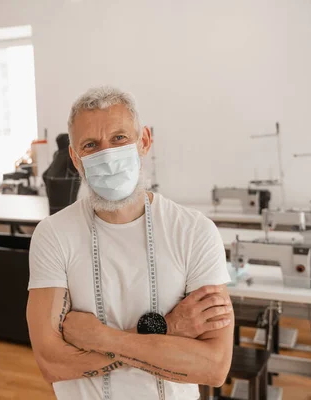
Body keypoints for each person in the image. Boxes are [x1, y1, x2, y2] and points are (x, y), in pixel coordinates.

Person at [27, 86, 234, 400]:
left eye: (119, 138)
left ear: (145, 141)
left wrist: (100, 338)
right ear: (75, 157)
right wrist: (168, 329)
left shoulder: (195, 232)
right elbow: (51, 364)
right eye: (91, 144)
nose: (107, 155)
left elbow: (214, 368)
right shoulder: (53, 235)